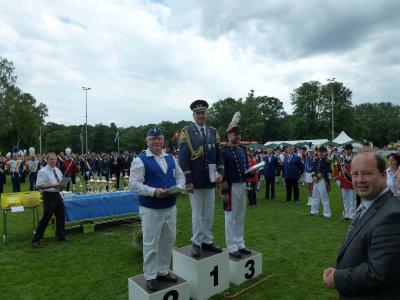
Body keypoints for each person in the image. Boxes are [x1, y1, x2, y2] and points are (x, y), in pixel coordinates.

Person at [323, 152, 400, 299]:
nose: (359, 180)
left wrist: (337, 278)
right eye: (355, 174)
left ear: (384, 175)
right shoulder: (369, 205)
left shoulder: (392, 215)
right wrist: (338, 269)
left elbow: (379, 272)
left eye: (367, 173)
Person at [129, 126, 185, 292]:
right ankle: (150, 275)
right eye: (152, 139)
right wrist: (153, 192)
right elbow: (133, 184)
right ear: (147, 141)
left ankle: (162, 270)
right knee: (151, 243)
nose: (156, 142)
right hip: (151, 208)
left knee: (168, 240)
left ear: (163, 141)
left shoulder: (170, 158)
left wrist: (179, 187)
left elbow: (180, 176)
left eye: (159, 138)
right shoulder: (140, 160)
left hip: (170, 207)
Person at [178, 99, 224, 257]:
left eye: (203, 112)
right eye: (198, 113)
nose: (200, 115)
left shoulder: (213, 131)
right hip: (195, 180)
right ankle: (196, 242)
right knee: (197, 213)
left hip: (211, 179)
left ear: (206, 113)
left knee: (209, 211)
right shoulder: (187, 131)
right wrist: (188, 179)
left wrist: (220, 171)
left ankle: (207, 240)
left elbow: (219, 155)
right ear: (193, 115)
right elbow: (183, 158)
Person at [221, 113, 252, 258]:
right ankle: (231, 246)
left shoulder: (241, 150)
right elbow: (222, 173)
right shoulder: (223, 152)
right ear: (229, 134)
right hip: (231, 187)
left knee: (240, 216)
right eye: (235, 134)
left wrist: (251, 173)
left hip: (242, 186)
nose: (238, 136)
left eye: (239, 134)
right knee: (230, 218)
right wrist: (225, 190)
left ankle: (240, 243)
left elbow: (244, 169)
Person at [32, 153, 68, 248]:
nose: (53, 161)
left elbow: (59, 183)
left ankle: (60, 236)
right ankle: (36, 240)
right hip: (48, 196)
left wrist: (62, 185)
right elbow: (39, 186)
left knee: (61, 214)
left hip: (57, 194)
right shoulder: (42, 171)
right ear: (47, 160)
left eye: (55, 159)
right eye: (51, 159)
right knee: (46, 218)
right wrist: (54, 185)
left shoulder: (57, 170)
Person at [334, 144, 356, 221]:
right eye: (346, 149)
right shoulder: (341, 159)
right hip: (343, 183)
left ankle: (352, 215)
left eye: (349, 149)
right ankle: (346, 214)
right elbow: (336, 169)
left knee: (352, 200)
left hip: (352, 182)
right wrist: (337, 179)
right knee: (345, 199)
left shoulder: (355, 159)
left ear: (351, 150)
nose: (347, 151)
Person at [310, 146, 332, 218]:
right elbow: (313, 168)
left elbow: (328, 170)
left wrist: (318, 177)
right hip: (315, 179)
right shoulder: (316, 159)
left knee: (324, 197)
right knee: (314, 196)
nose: (320, 153)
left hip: (322, 180)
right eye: (319, 151)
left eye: (322, 152)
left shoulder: (327, 160)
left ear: (325, 152)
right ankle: (314, 211)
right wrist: (313, 176)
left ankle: (327, 213)